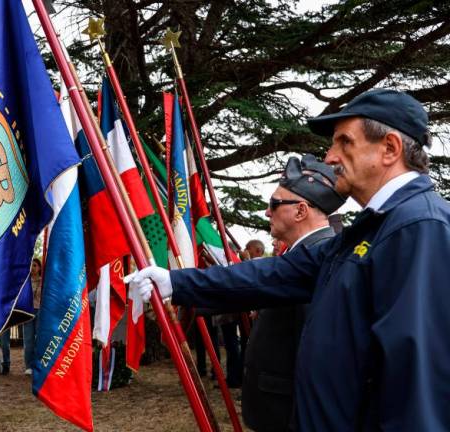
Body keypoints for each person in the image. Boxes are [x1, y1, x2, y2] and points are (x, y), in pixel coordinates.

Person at [130, 89, 450, 429]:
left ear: (389, 149)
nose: (329, 157)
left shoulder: (418, 227)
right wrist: (175, 281)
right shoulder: (373, 227)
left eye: (344, 142)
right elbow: (275, 274)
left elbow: (418, 379)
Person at [242, 155, 343, 431]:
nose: (266, 212)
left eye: (274, 204)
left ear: (300, 211)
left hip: (288, 414)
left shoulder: (318, 257)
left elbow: (317, 360)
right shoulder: (304, 251)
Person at [23, 258, 42, 375]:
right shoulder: (26, 282)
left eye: (35, 266)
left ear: (39, 267)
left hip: (40, 310)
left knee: (39, 339)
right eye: (31, 266)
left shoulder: (44, 281)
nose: (32, 268)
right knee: (28, 339)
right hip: (28, 311)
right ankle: (29, 366)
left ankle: (38, 364)